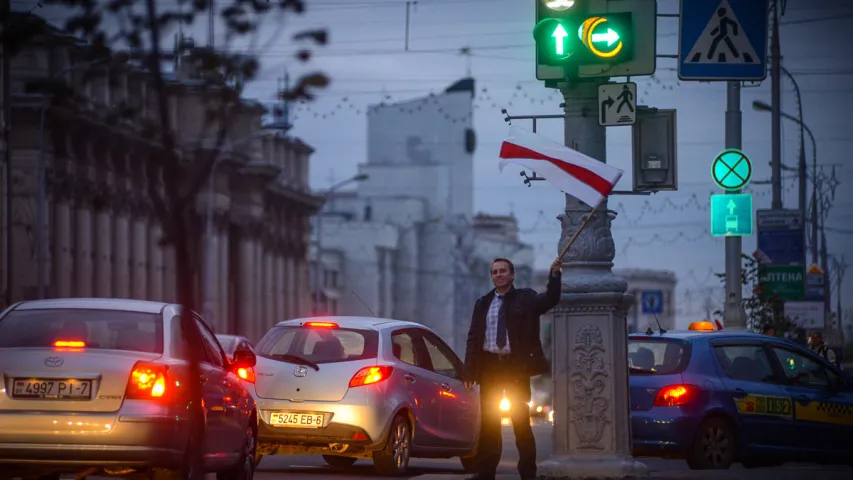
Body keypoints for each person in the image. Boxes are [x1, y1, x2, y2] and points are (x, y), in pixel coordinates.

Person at [463, 257, 562, 480]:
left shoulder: (525, 299)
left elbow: (550, 300)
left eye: (503, 271)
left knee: (520, 423)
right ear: (491, 276)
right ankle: (486, 472)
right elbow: (473, 338)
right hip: (490, 369)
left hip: (515, 369)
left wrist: (554, 276)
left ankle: (528, 473)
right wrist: (470, 371)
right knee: (489, 425)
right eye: (494, 272)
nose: (498, 275)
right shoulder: (483, 303)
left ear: (512, 274)